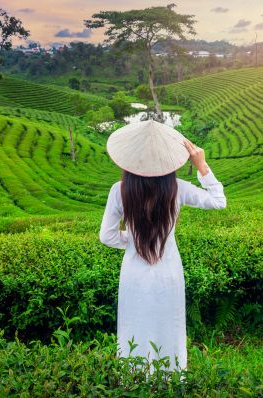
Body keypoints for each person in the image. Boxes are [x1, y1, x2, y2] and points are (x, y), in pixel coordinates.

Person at [99, 120, 226, 372]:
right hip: (168, 272)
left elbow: (107, 236)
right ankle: (170, 379)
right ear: (168, 160)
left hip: (133, 274)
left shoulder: (119, 190)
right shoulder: (177, 189)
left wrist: (134, 240)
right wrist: (202, 166)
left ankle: (133, 378)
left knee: (134, 325)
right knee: (169, 326)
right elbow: (218, 201)